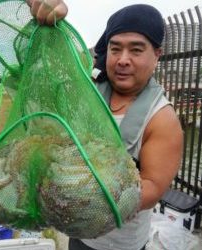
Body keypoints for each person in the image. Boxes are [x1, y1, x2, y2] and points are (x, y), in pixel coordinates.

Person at [26, 1, 183, 249]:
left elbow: (152, 186)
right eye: (115, 48)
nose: (123, 60)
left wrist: (84, 195)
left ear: (157, 55)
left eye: (136, 50)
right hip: (76, 232)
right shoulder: (89, 87)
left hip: (120, 244)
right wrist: (51, 22)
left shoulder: (162, 119)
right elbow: (51, 71)